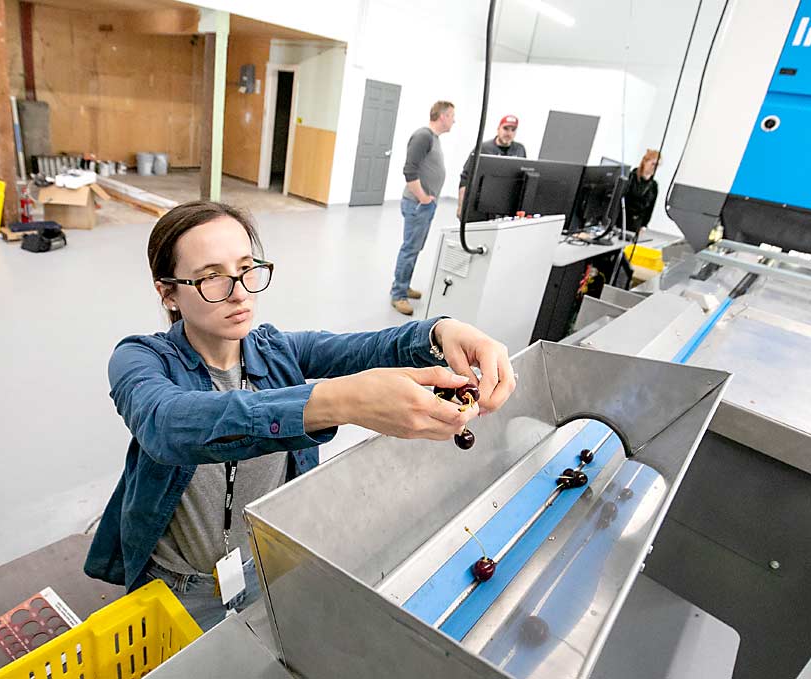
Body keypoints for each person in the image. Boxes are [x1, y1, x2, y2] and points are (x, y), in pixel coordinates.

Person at [84, 200, 515, 632]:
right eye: (212, 277)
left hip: (262, 566)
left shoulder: (276, 352)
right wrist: (339, 402)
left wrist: (440, 331)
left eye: (247, 268)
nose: (239, 292)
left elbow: (364, 348)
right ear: (168, 292)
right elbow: (167, 425)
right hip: (176, 586)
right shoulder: (140, 359)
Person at [391, 100, 455, 316]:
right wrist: (423, 198)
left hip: (426, 205)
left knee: (415, 248)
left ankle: (404, 284)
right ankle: (398, 294)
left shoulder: (433, 139)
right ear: (443, 116)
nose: (454, 121)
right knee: (409, 248)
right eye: (452, 116)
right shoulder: (423, 136)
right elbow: (410, 171)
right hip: (418, 204)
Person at [457, 114, 527, 216]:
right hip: (483, 204)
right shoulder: (483, 148)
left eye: (513, 130)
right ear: (498, 129)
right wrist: (461, 206)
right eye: (506, 129)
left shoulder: (520, 149)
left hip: (508, 205)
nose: (509, 133)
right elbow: (465, 177)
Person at [623, 149, 660, 234]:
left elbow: (650, 208)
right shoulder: (630, 177)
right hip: (622, 220)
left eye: (657, 165)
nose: (655, 168)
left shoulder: (654, 186)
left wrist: (644, 226)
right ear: (645, 162)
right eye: (653, 164)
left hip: (636, 224)